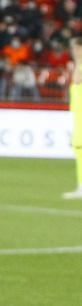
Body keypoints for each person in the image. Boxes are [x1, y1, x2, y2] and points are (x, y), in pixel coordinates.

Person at [66, 38, 82, 200]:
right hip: (78, 114)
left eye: (77, 48)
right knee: (79, 150)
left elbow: (77, 81)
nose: (74, 52)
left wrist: (78, 61)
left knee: (80, 149)